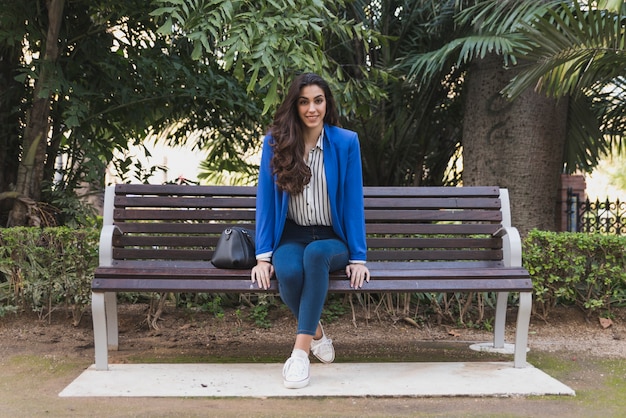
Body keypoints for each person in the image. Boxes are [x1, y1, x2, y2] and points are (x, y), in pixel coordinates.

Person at [251, 73, 371, 389]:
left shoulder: (345, 142)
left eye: (318, 100)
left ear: (326, 103)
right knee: (288, 272)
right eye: (304, 101)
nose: (311, 108)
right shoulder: (275, 142)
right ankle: (316, 332)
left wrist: (358, 256)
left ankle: (299, 356)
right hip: (292, 234)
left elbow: (353, 200)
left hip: (332, 239)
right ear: (295, 105)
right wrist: (263, 256)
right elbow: (265, 199)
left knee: (316, 254)